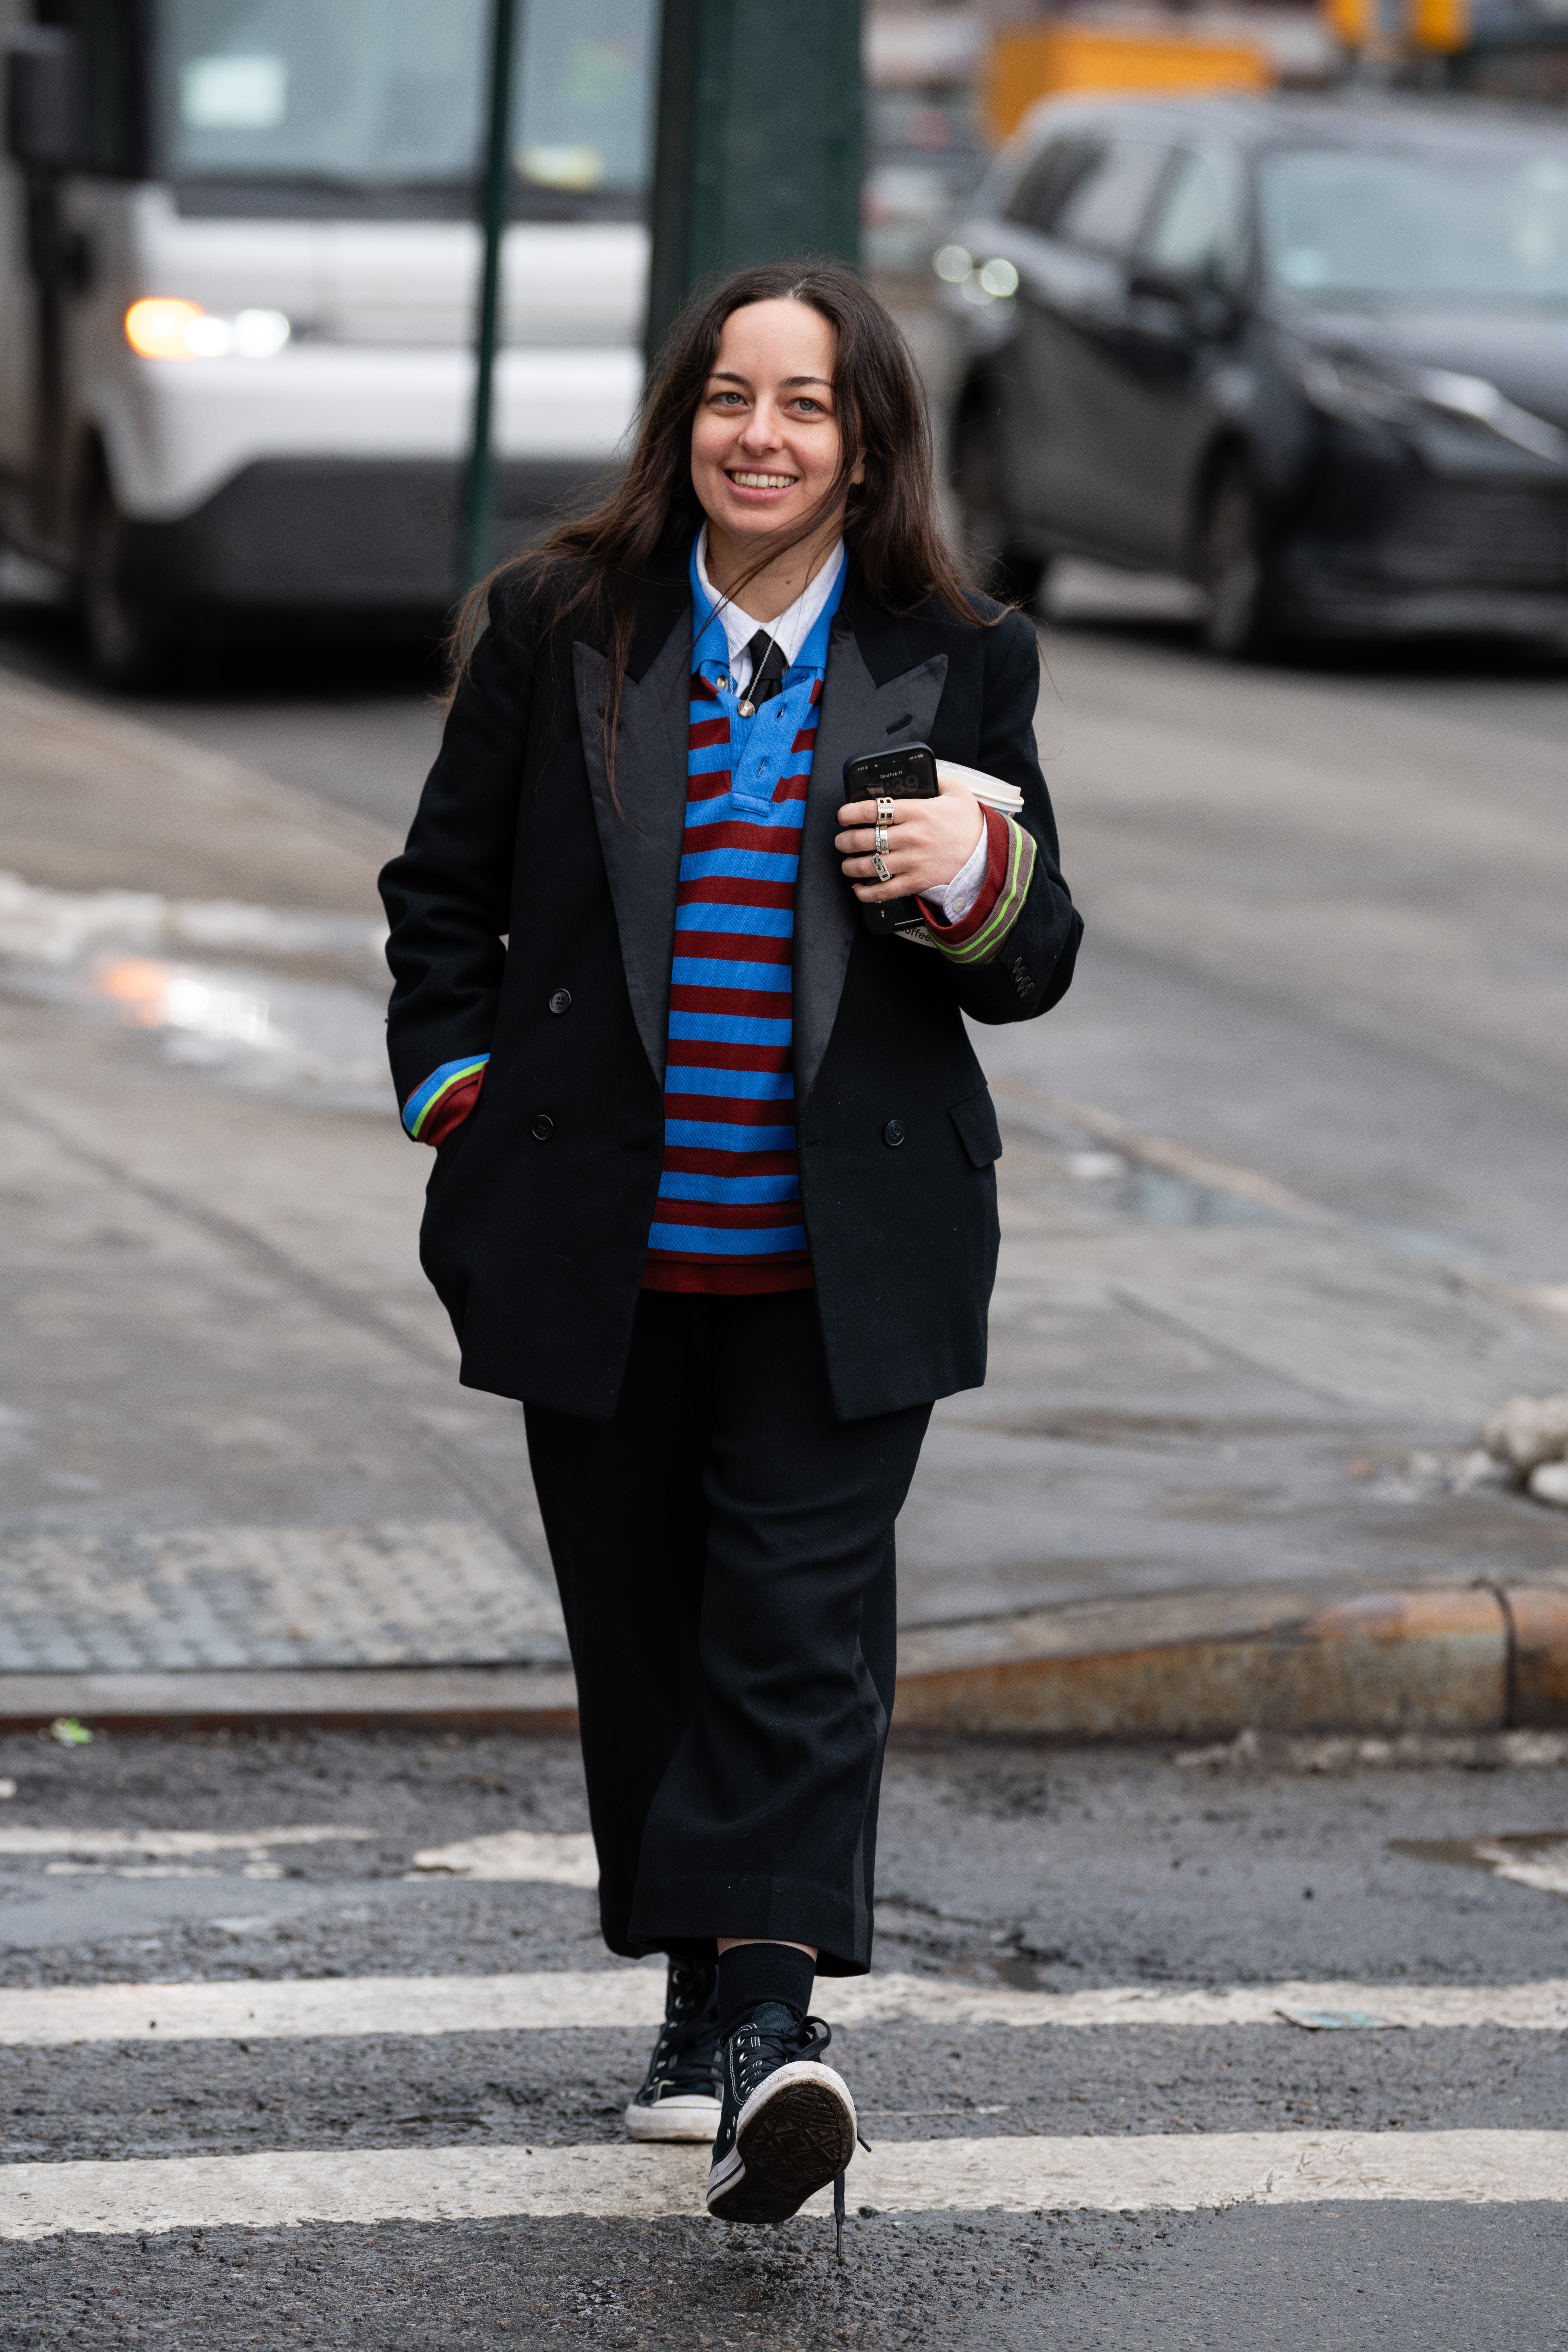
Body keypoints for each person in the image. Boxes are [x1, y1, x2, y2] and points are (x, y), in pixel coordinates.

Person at [379, 260, 1082, 2233]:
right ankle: (695, 1992)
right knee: (652, 1635)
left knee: (794, 1636)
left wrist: (979, 876)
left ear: (868, 450)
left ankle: (769, 2031)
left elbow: (1035, 961)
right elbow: (439, 901)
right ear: (682, 419)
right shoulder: (559, 622)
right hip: (601, 1237)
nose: (758, 436)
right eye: (727, 397)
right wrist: (459, 1100)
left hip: (846, 1246)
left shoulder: (956, 649)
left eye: (805, 406)